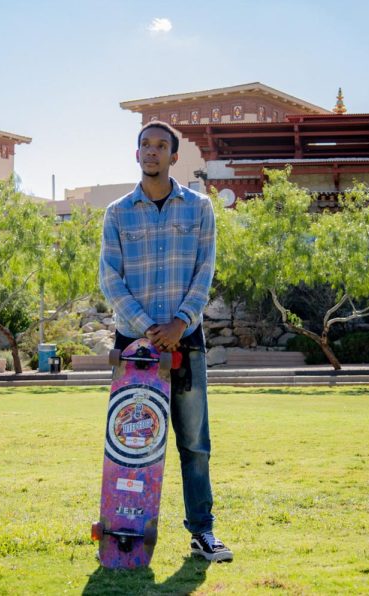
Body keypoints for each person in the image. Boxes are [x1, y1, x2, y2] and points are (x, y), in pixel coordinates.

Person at [99, 121, 232, 562]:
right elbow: (110, 278)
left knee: (194, 443)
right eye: (144, 145)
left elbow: (204, 271)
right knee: (131, 443)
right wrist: (148, 328)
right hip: (134, 349)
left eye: (161, 146)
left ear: (175, 157)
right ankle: (126, 533)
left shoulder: (199, 209)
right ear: (136, 154)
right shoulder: (117, 213)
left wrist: (178, 323)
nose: (151, 152)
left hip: (186, 343)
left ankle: (203, 533)